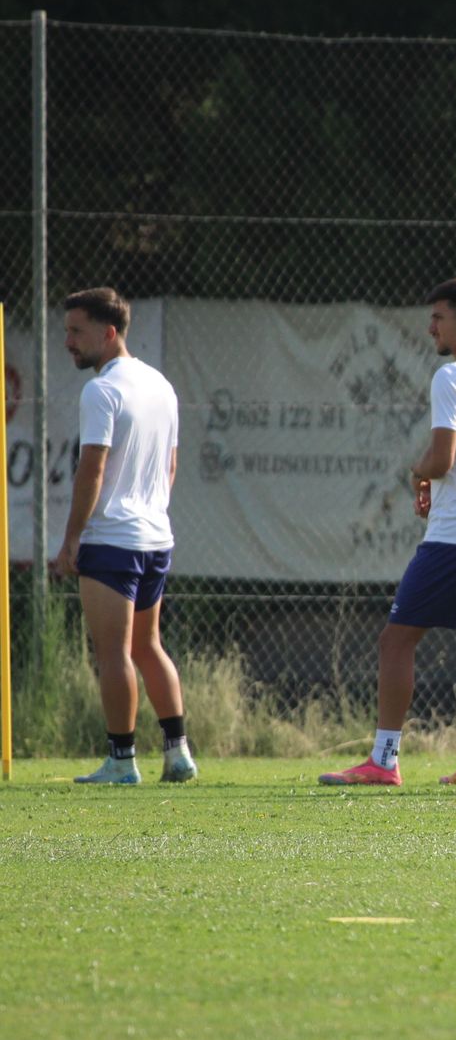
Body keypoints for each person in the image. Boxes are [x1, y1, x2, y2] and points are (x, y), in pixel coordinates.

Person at [321, 277, 456, 787]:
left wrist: (420, 475)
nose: (430, 327)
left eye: (439, 317)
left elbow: (442, 457)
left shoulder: (452, 377)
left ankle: (383, 760)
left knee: (396, 641)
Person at [52, 287, 197, 785]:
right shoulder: (160, 384)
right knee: (147, 646)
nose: (68, 341)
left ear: (108, 333)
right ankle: (177, 753)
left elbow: (91, 470)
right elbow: (172, 465)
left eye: (77, 331)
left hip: (113, 539)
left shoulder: (102, 389)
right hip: (156, 536)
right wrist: (150, 511)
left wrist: (72, 539)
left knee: (113, 653)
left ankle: (121, 760)